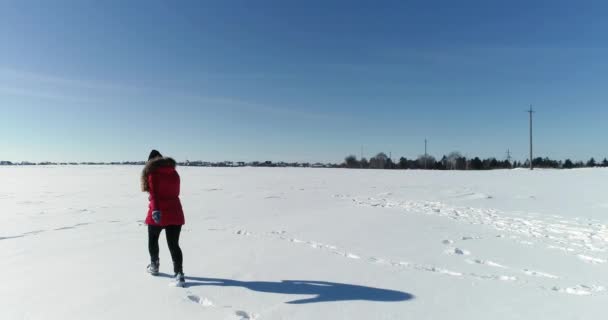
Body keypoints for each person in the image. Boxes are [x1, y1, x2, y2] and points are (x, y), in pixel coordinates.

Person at [141, 149, 186, 286]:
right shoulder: (174, 173)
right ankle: (179, 274)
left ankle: (154, 265)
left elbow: (154, 194)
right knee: (174, 244)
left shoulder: (152, 173)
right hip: (175, 212)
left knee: (153, 240)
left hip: (158, 213)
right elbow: (175, 192)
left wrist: (155, 210)